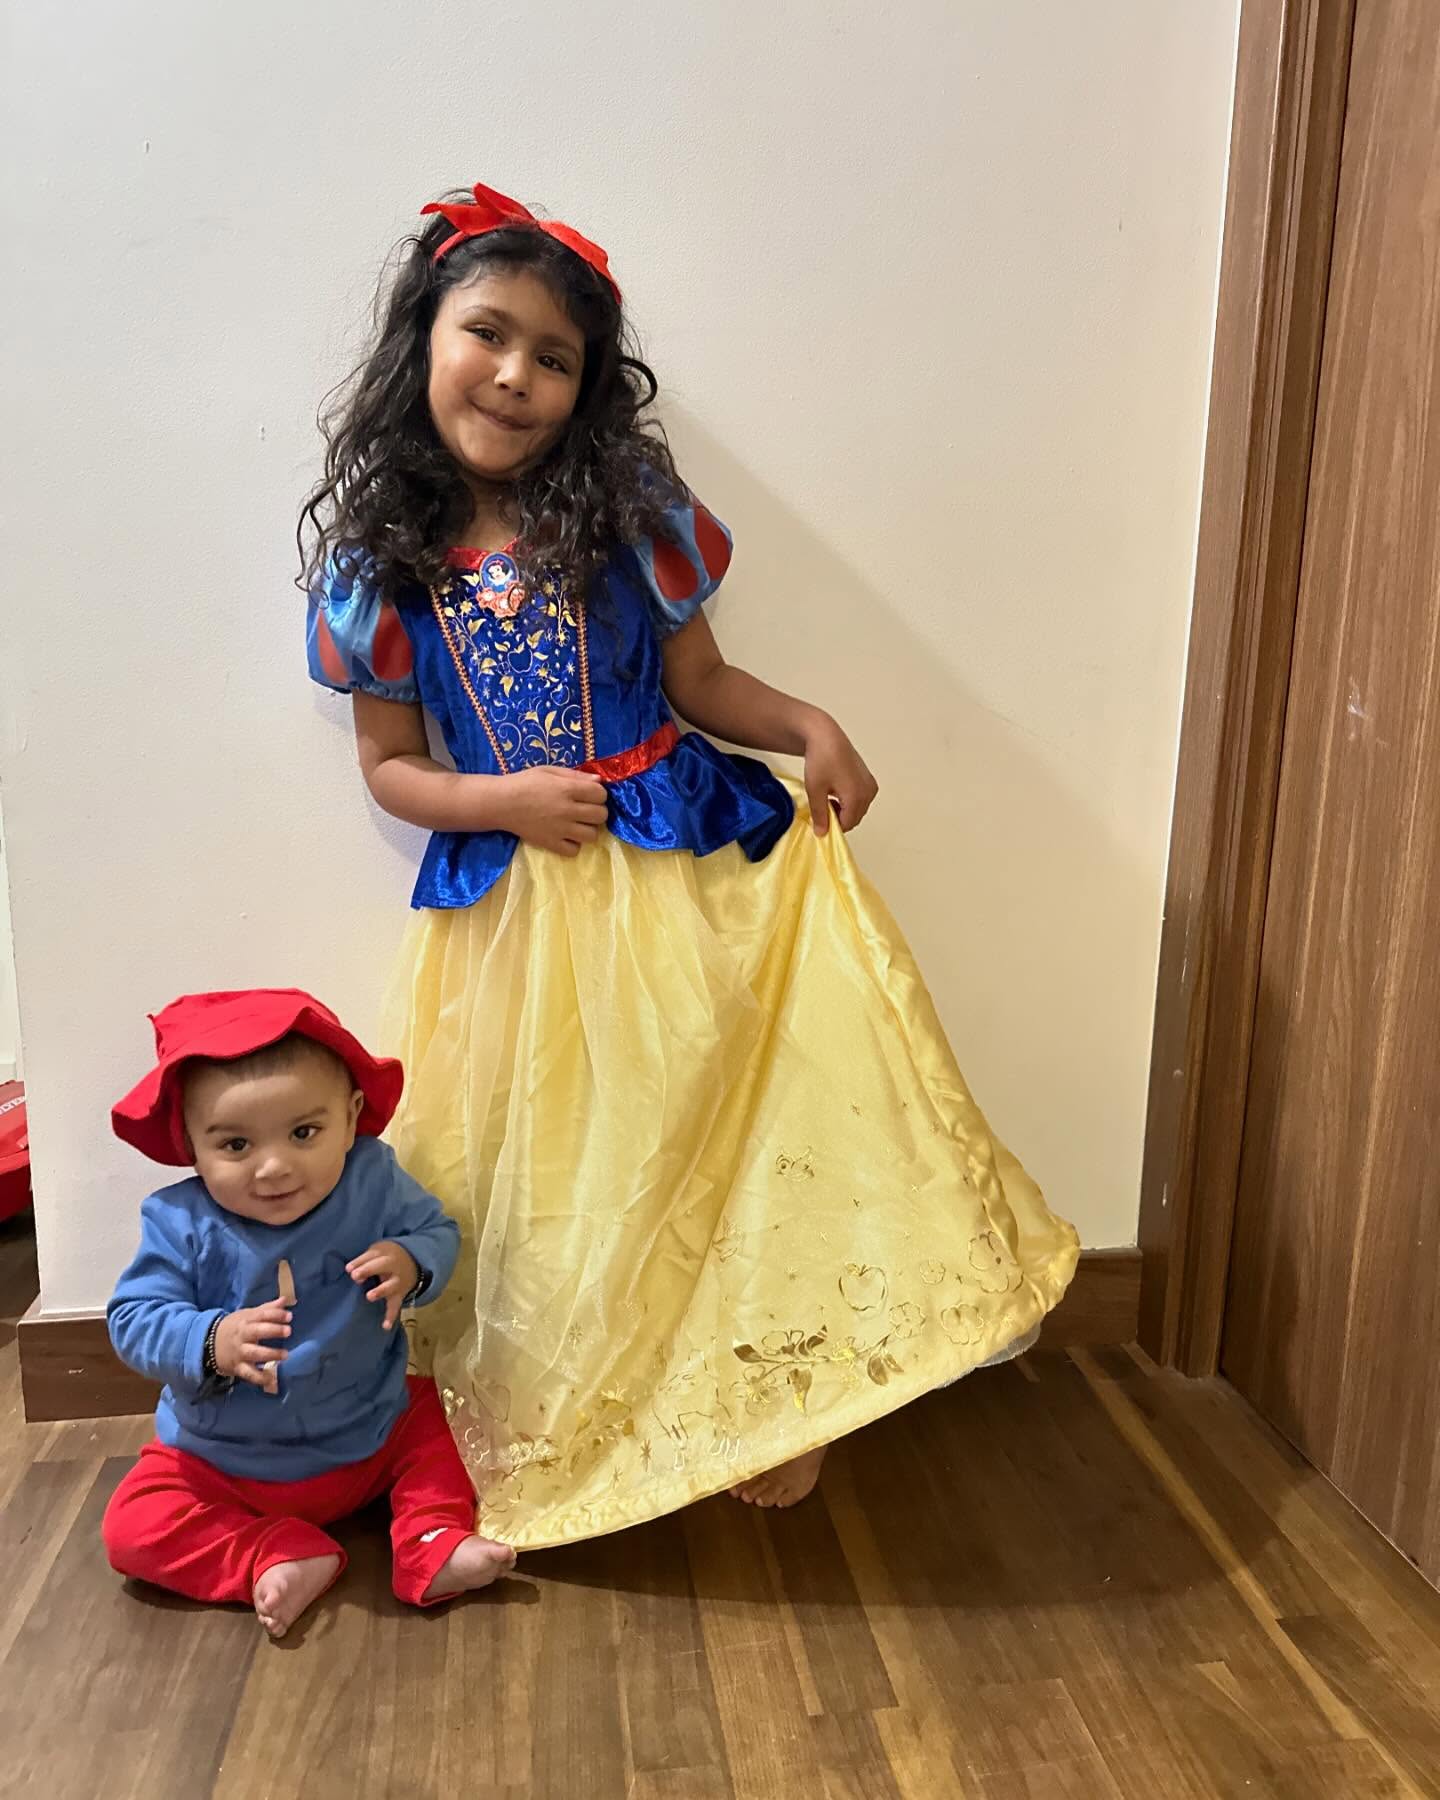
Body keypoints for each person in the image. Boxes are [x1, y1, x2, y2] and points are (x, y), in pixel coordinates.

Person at [302, 180, 1079, 1549]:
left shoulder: (626, 514)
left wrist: (809, 726)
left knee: (713, 1136)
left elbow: (703, 678)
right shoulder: (384, 563)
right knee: (567, 1169)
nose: (516, 374)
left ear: (589, 388)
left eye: (556, 357)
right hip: (524, 911)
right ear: (423, 334)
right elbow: (388, 768)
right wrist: (501, 798)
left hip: (679, 872)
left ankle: (761, 1396)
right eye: (488, 333)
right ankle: (589, 1394)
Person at [102, 987, 514, 1638]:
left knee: (448, 1416)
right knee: (131, 1527)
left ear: (351, 1119)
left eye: (303, 1133)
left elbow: (437, 1230)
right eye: (236, 1145)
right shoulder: (179, 1220)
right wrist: (209, 1339)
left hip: (370, 1433)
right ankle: (273, 1552)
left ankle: (432, 1540)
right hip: (225, 1464)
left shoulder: (372, 1178)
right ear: (190, 1142)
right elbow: (132, 1317)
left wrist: (411, 1261)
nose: (273, 1167)